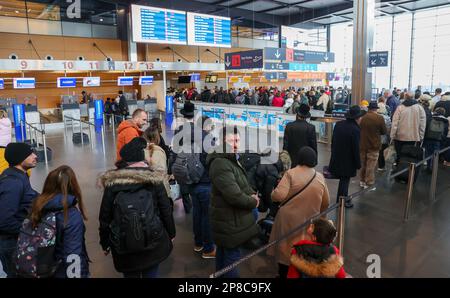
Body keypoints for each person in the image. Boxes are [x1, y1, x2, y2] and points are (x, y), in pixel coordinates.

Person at [99, 137, 176, 278]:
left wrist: (105, 243)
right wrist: (171, 233)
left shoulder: (113, 183)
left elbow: (105, 216)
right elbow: (165, 209)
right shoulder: (154, 179)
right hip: (153, 240)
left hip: (124, 245)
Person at [267, 147, 330, 278]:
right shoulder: (319, 177)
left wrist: (272, 194)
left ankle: (284, 274)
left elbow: (279, 196)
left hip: (288, 220)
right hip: (309, 222)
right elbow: (326, 203)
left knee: (285, 250)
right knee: (304, 251)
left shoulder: (291, 173)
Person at [206, 126, 260, 278]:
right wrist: (252, 202)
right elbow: (233, 195)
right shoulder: (221, 163)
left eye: (237, 140)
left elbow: (239, 183)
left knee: (224, 255)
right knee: (232, 260)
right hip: (230, 221)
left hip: (229, 219)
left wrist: (250, 193)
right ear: (223, 141)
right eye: (231, 140)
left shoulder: (230, 158)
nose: (235, 144)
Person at [28, 165, 89, 278]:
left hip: (39, 268)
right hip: (62, 271)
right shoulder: (70, 214)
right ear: (73, 185)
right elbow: (73, 253)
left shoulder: (36, 207)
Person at [0, 143, 39, 277]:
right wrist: (29, 230)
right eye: (30, 154)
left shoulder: (20, 176)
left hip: (17, 241)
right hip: (12, 244)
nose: (35, 156)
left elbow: (31, 195)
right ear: (19, 158)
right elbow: (4, 221)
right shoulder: (13, 183)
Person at [328, 105, 366, 208]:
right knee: (344, 181)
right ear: (357, 118)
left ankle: (341, 199)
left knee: (343, 181)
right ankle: (342, 202)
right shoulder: (355, 129)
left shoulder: (339, 124)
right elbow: (355, 149)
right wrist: (358, 163)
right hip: (348, 161)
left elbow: (333, 141)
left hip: (337, 157)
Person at [390, 92, 427, 163]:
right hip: (413, 137)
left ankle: (398, 169)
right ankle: (408, 171)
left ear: (405, 97)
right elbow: (422, 124)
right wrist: (421, 136)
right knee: (409, 156)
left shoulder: (400, 107)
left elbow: (395, 123)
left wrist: (392, 136)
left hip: (399, 136)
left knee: (399, 155)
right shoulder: (419, 108)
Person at [359, 102, 387, 189]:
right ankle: (369, 182)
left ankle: (362, 181)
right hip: (374, 145)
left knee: (363, 163)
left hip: (363, 144)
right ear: (376, 109)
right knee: (371, 165)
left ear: (369, 108)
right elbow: (384, 131)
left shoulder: (362, 118)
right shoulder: (379, 118)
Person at [423, 107, 449, 172]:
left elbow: (426, 128)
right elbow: (445, 132)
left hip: (428, 138)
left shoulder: (430, 118)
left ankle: (428, 166)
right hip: (438, 140)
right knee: (435, 154)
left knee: (428, 153)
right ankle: (433, 168)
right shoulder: (445, 121)